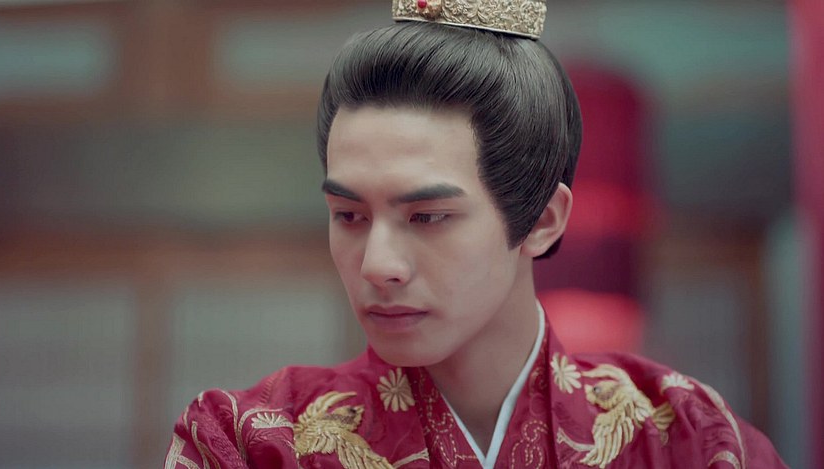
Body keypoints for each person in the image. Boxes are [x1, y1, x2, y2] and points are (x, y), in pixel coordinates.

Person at [165, 1, 787, 467]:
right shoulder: (249, 443)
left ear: (542, 219)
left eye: (427, 216)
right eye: (349, 215)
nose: (377, 264)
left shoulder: (691, 440)